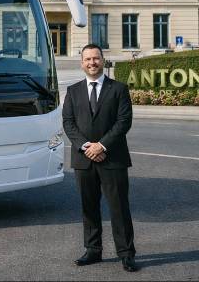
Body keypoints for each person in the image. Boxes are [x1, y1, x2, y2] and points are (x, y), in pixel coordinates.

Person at [62, 43, 138, 273]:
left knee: (119, 208)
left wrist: (102, 145)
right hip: (84, 159)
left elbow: (123, 121)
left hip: (112, 157)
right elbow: (68, 123)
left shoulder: (119, 89)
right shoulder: (73, 91)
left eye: (96, 58)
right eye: (88, 59)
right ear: (82, 63)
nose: (92, 63)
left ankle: (126, 254)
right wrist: (87, 146)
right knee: (89, 207)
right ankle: (93, 250)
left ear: (103, 61)